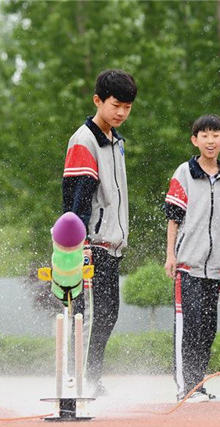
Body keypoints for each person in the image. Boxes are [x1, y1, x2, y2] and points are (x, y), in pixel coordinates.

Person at [62, 69, 137, 397]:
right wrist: (79, 243)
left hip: (111, 246)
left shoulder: (116, 142)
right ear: (97, 100)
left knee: (107, 316)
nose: (121, 112)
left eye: (127, 107)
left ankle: (91, 378)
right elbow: (77, 198)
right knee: (89, 317)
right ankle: (79, 382)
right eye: (115, 105)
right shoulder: (85, 140)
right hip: (90, 245)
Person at [164, 114, 220, 403]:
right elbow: (174, 218)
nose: (210, 140)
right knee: (189, 328)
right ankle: (186, 388)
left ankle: (199, 385)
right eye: (204, 135)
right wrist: (171, 254)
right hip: (188, 265)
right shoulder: (184, 173)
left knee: (207, 330)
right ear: (195, 140)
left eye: (215, 135)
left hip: (215, 269)